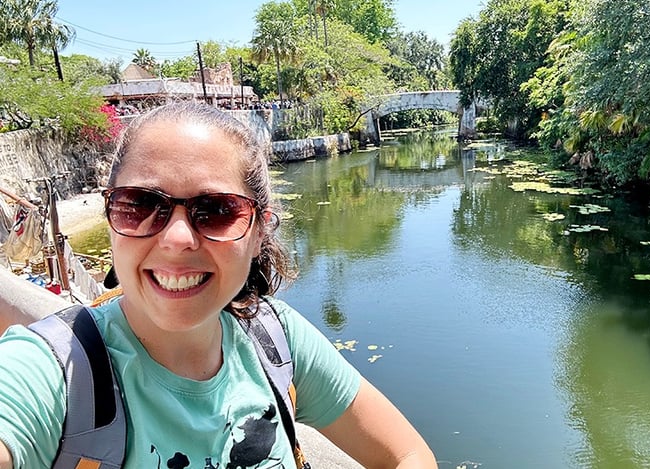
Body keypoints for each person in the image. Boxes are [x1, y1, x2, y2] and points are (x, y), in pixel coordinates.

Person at [0, 102, 436, 469]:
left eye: (217, 210)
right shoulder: (52, 371)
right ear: (110, 217)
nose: (176, 239)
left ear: (260, 231)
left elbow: (407, 454)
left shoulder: (277, 338)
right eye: (141, 205)